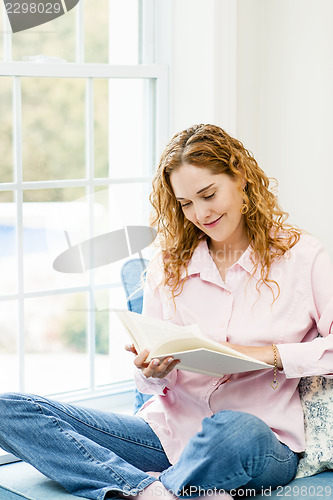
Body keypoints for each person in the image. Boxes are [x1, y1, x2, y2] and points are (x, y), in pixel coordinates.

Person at [0, 124, 333, 500]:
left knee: (235, 429)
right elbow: (153, 385)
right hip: (167, 433)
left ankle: (156, 487)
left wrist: (269, 356)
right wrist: (152, 371)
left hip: (258, 439)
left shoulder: (302, 256)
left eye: (208, 195)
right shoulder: (168, 263)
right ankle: (150, 492)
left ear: (239, 176)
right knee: (9, 409)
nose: (200, 213)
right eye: (186, 203)